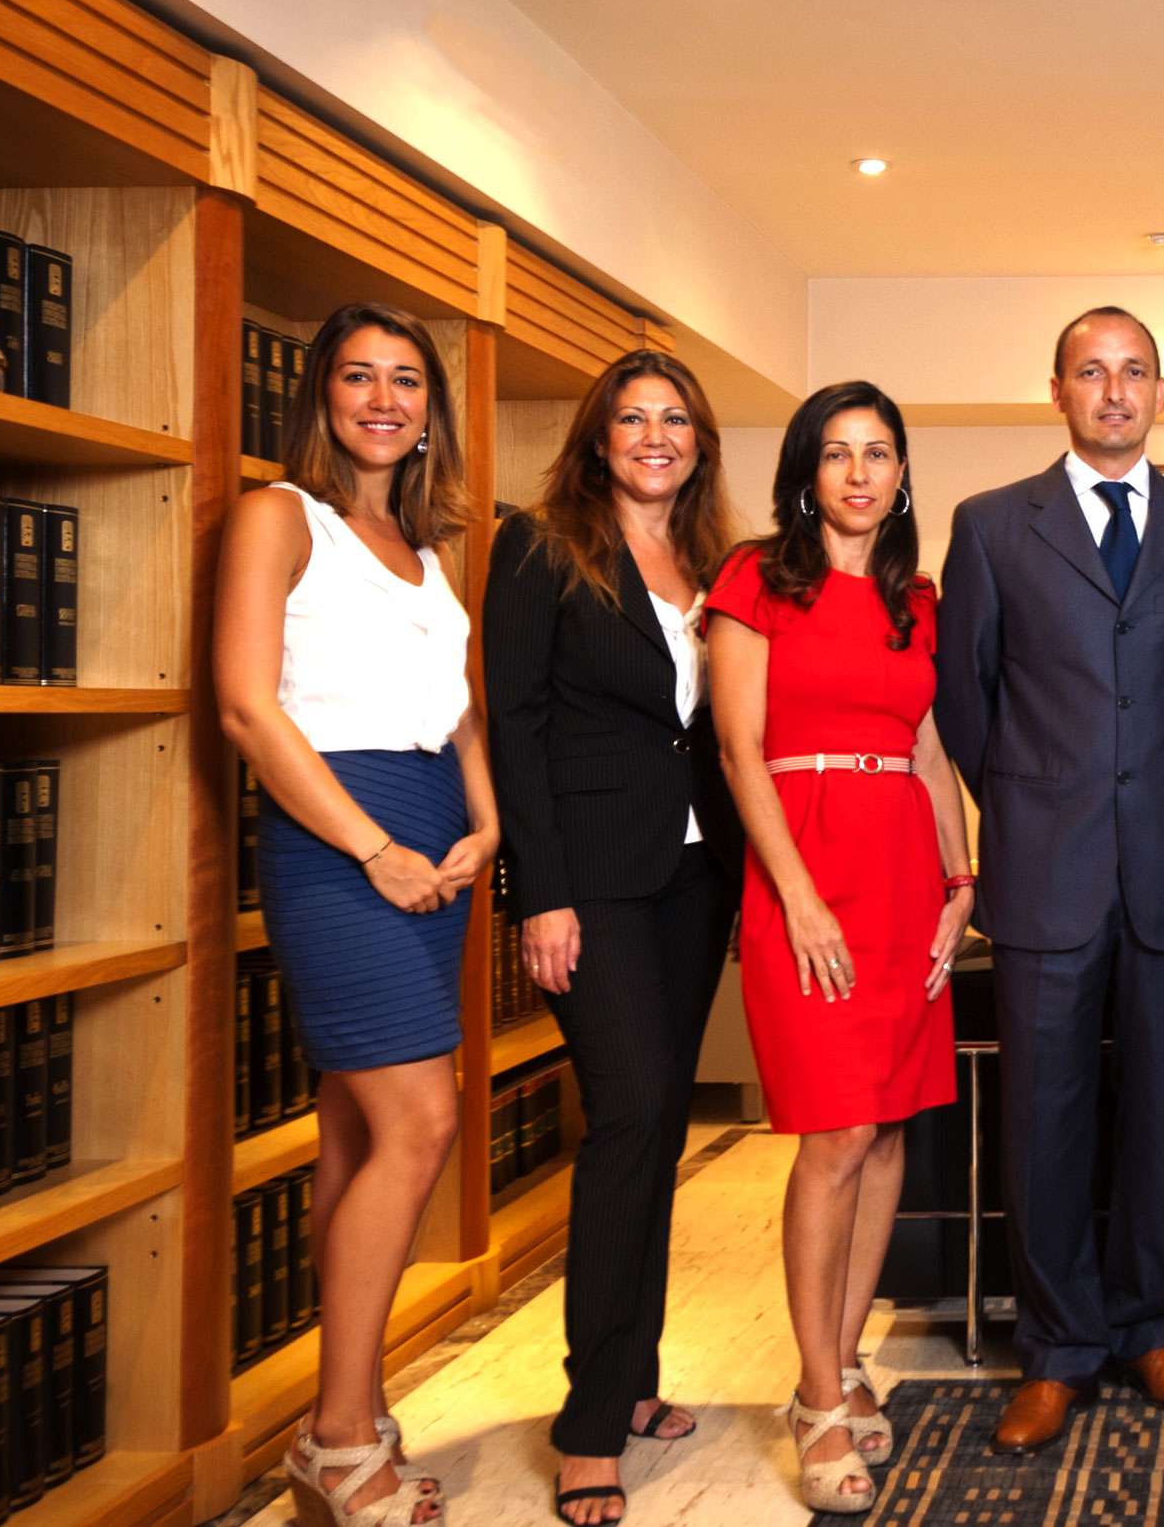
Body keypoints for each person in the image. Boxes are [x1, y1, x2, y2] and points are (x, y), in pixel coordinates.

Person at [934, 308, 1164, 1453]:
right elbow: (965, 700)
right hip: (1043, 869)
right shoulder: (990, 524)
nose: (1114, 390)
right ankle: (1058, 1348)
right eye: (1090, 372)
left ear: (1160, 391)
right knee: (1044, 1119)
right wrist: (1033, 799)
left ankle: (1147, 1329)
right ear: (1056, 390)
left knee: (1160, 1112)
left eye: (1134, 372)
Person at [216, 302, 496, 1527]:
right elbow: (245, 706)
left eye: (406, 380)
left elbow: (460, 704)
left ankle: (351, 1410)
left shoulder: (426, 545)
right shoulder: (280, 515)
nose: (384, 399)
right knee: (421, 1121)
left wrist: (489, 822)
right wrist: (375, 846)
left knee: (352, 1134)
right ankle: (337, 1438)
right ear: (320, 394)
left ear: (431, 407)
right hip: (342, 840)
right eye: (358, 376)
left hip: (437, 839)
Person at [483, 350, 745, 1525]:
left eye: (674, 419)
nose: (655, 436)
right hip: (590, 880)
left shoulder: (716, 564)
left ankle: (634, 1376)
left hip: (695, 872)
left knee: (658, 1122)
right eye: (633, 418)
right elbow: (515, 723)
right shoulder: (539, 545)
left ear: (699, 442)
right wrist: (537, 891)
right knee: (632, 1113)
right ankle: (590, 1423)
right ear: (598, 438)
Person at [708, 380, 973, 1515]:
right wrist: (797, 894)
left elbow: (928, 752)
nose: (859, 472)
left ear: (902, 473)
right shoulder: (755, 578)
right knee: (836, 1131)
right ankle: (818, 1393)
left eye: (878, 452)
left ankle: (847, 1355)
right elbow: (738, 748)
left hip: (906, 873)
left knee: (890, 1127)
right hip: (807, 866)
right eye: (836, 452)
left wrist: (962, 881)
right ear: (805, 473)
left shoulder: (918, 598)